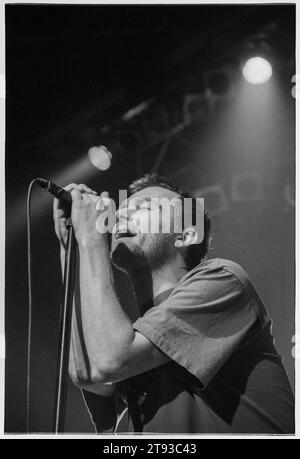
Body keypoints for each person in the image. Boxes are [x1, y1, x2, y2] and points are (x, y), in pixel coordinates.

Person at [53, 173, 294, 434]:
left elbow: (110, 361)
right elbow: (85, 373)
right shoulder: (136, 335)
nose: (120, 216)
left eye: (143, 207)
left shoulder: (224, 279)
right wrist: (72, 249)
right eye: (122, 210)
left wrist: (90, 240)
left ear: (186, 235)